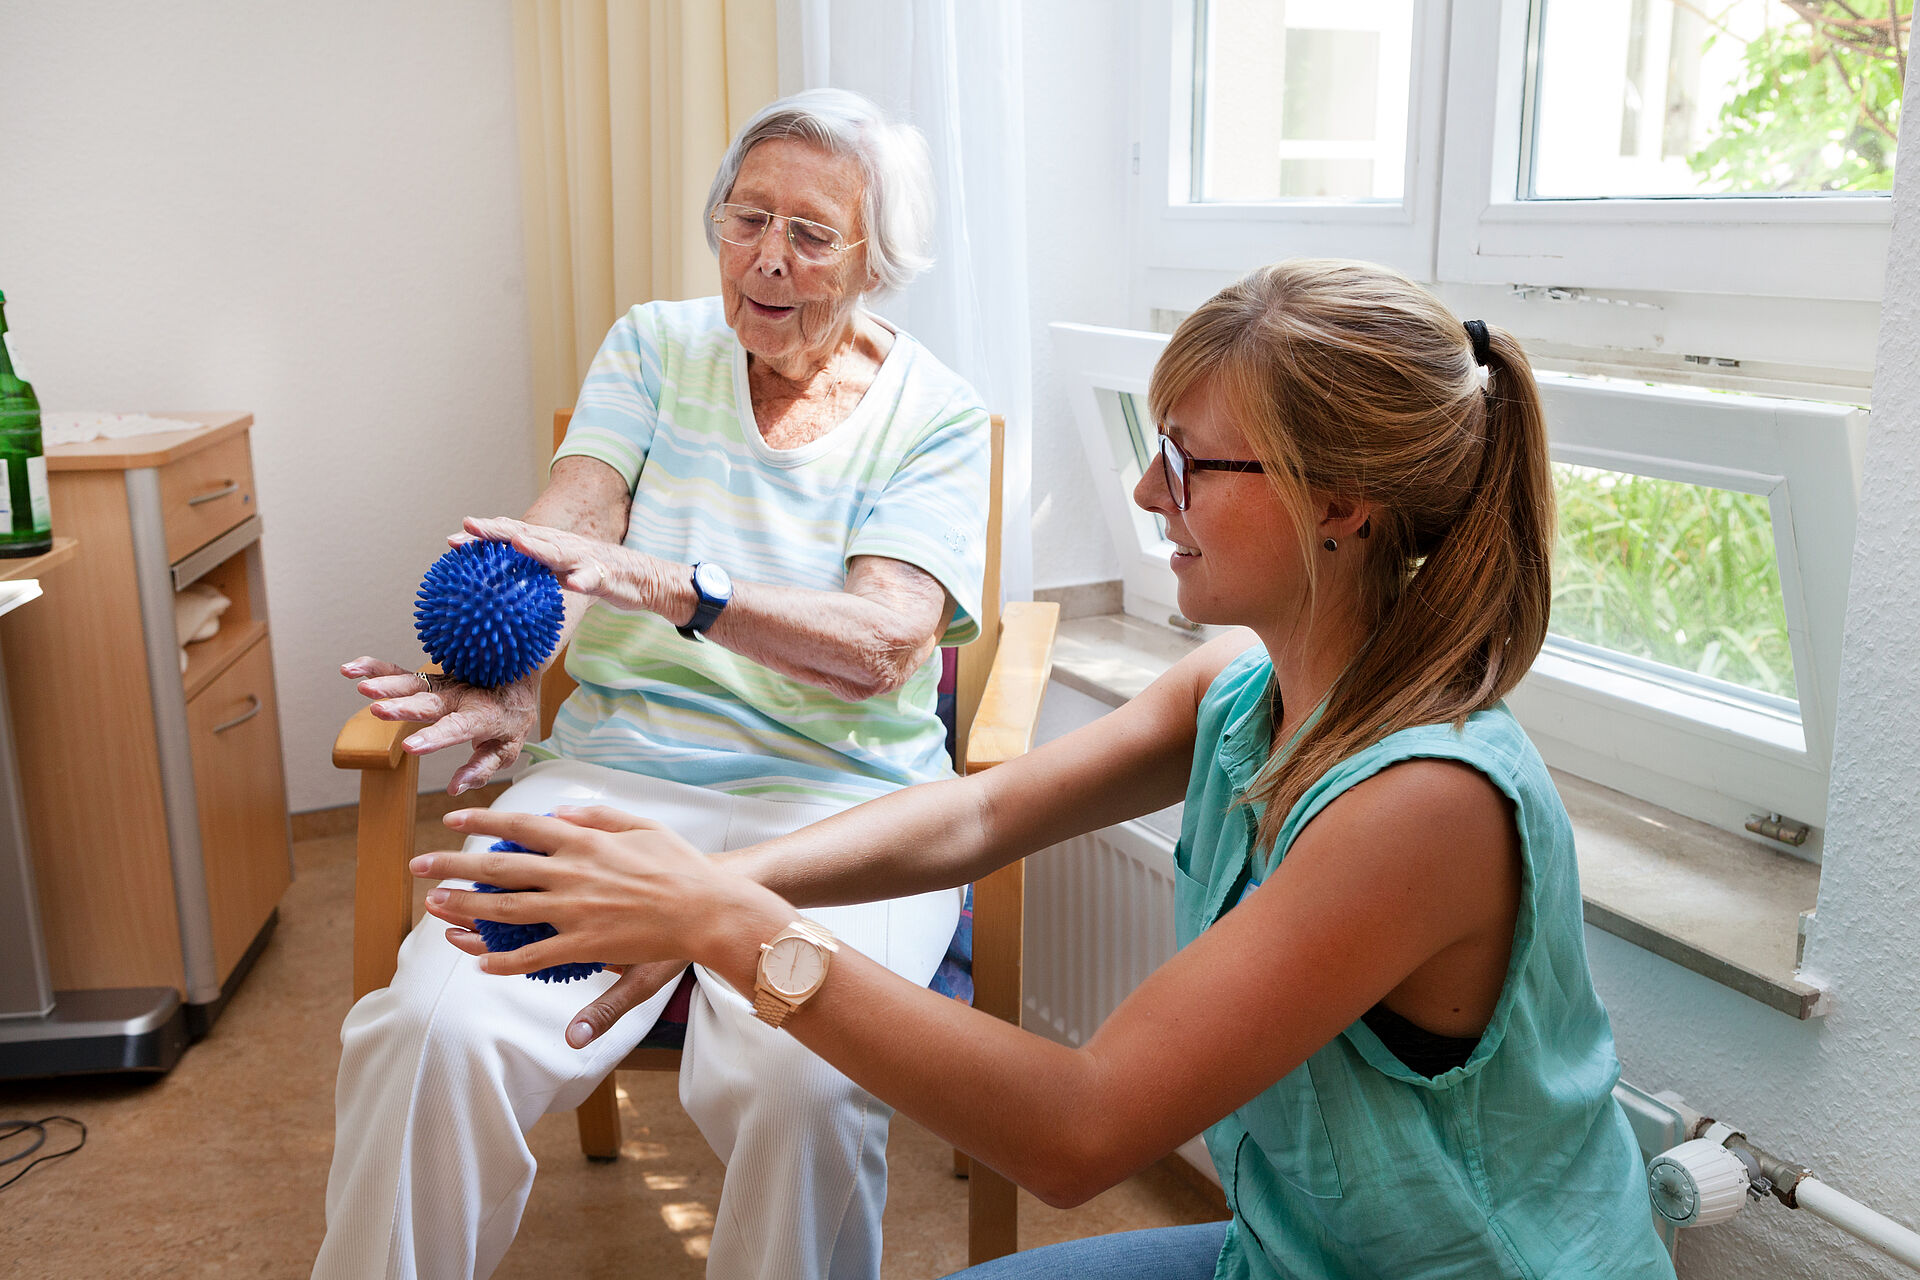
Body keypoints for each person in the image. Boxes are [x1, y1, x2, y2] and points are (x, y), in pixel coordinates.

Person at [410, 260, 1679, 1278]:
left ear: (1341, 502)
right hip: (1298, 1251)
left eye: (1187, 458)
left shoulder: (1425, 803)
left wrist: (731, 927)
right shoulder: (1245, 688)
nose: (1143, 487)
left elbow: (1079, 1130)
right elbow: (982, 811)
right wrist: (707, 874)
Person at [314, 89, 991, 1280]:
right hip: (622, 777)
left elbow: (888, 642)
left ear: (877, 261)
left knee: (804, 1076)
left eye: (811, 233)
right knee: (431, 1029)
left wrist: (676, 585)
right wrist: (507, 664)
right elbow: (575, 521)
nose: (767, 259)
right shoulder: (655, 345)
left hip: (843, 804)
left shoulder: (933, 413)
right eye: (746, 218)